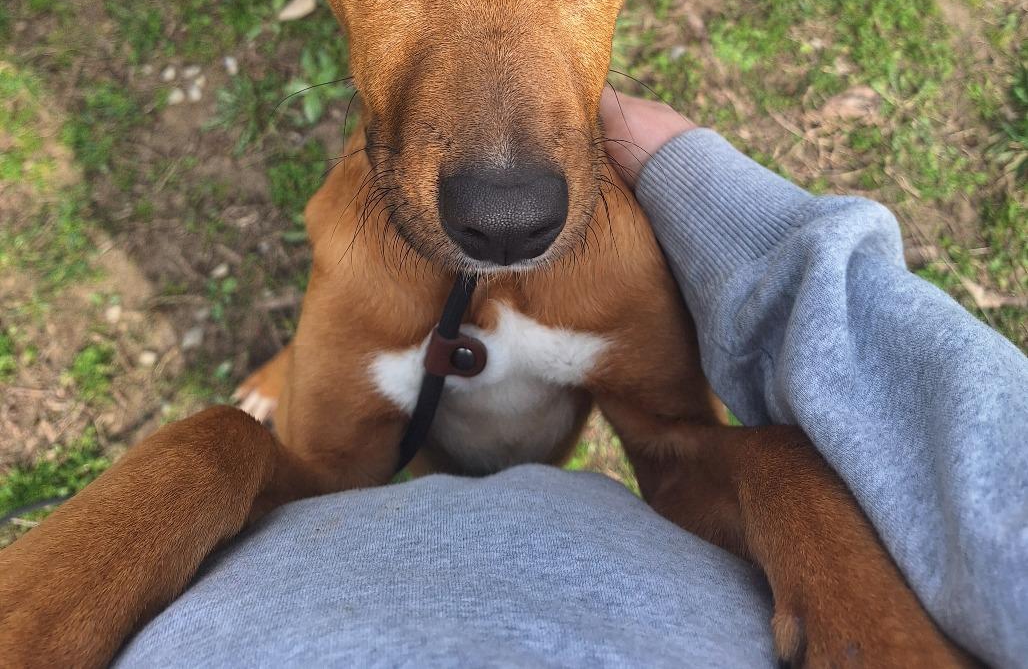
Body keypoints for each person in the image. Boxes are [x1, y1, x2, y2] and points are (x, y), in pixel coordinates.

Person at [114, 92, 1028, 668]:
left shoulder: (613, 259)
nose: (507, 199)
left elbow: (680, 452)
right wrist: (207, 462)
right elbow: (307, 478)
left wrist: (786, 483)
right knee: (222, 446)